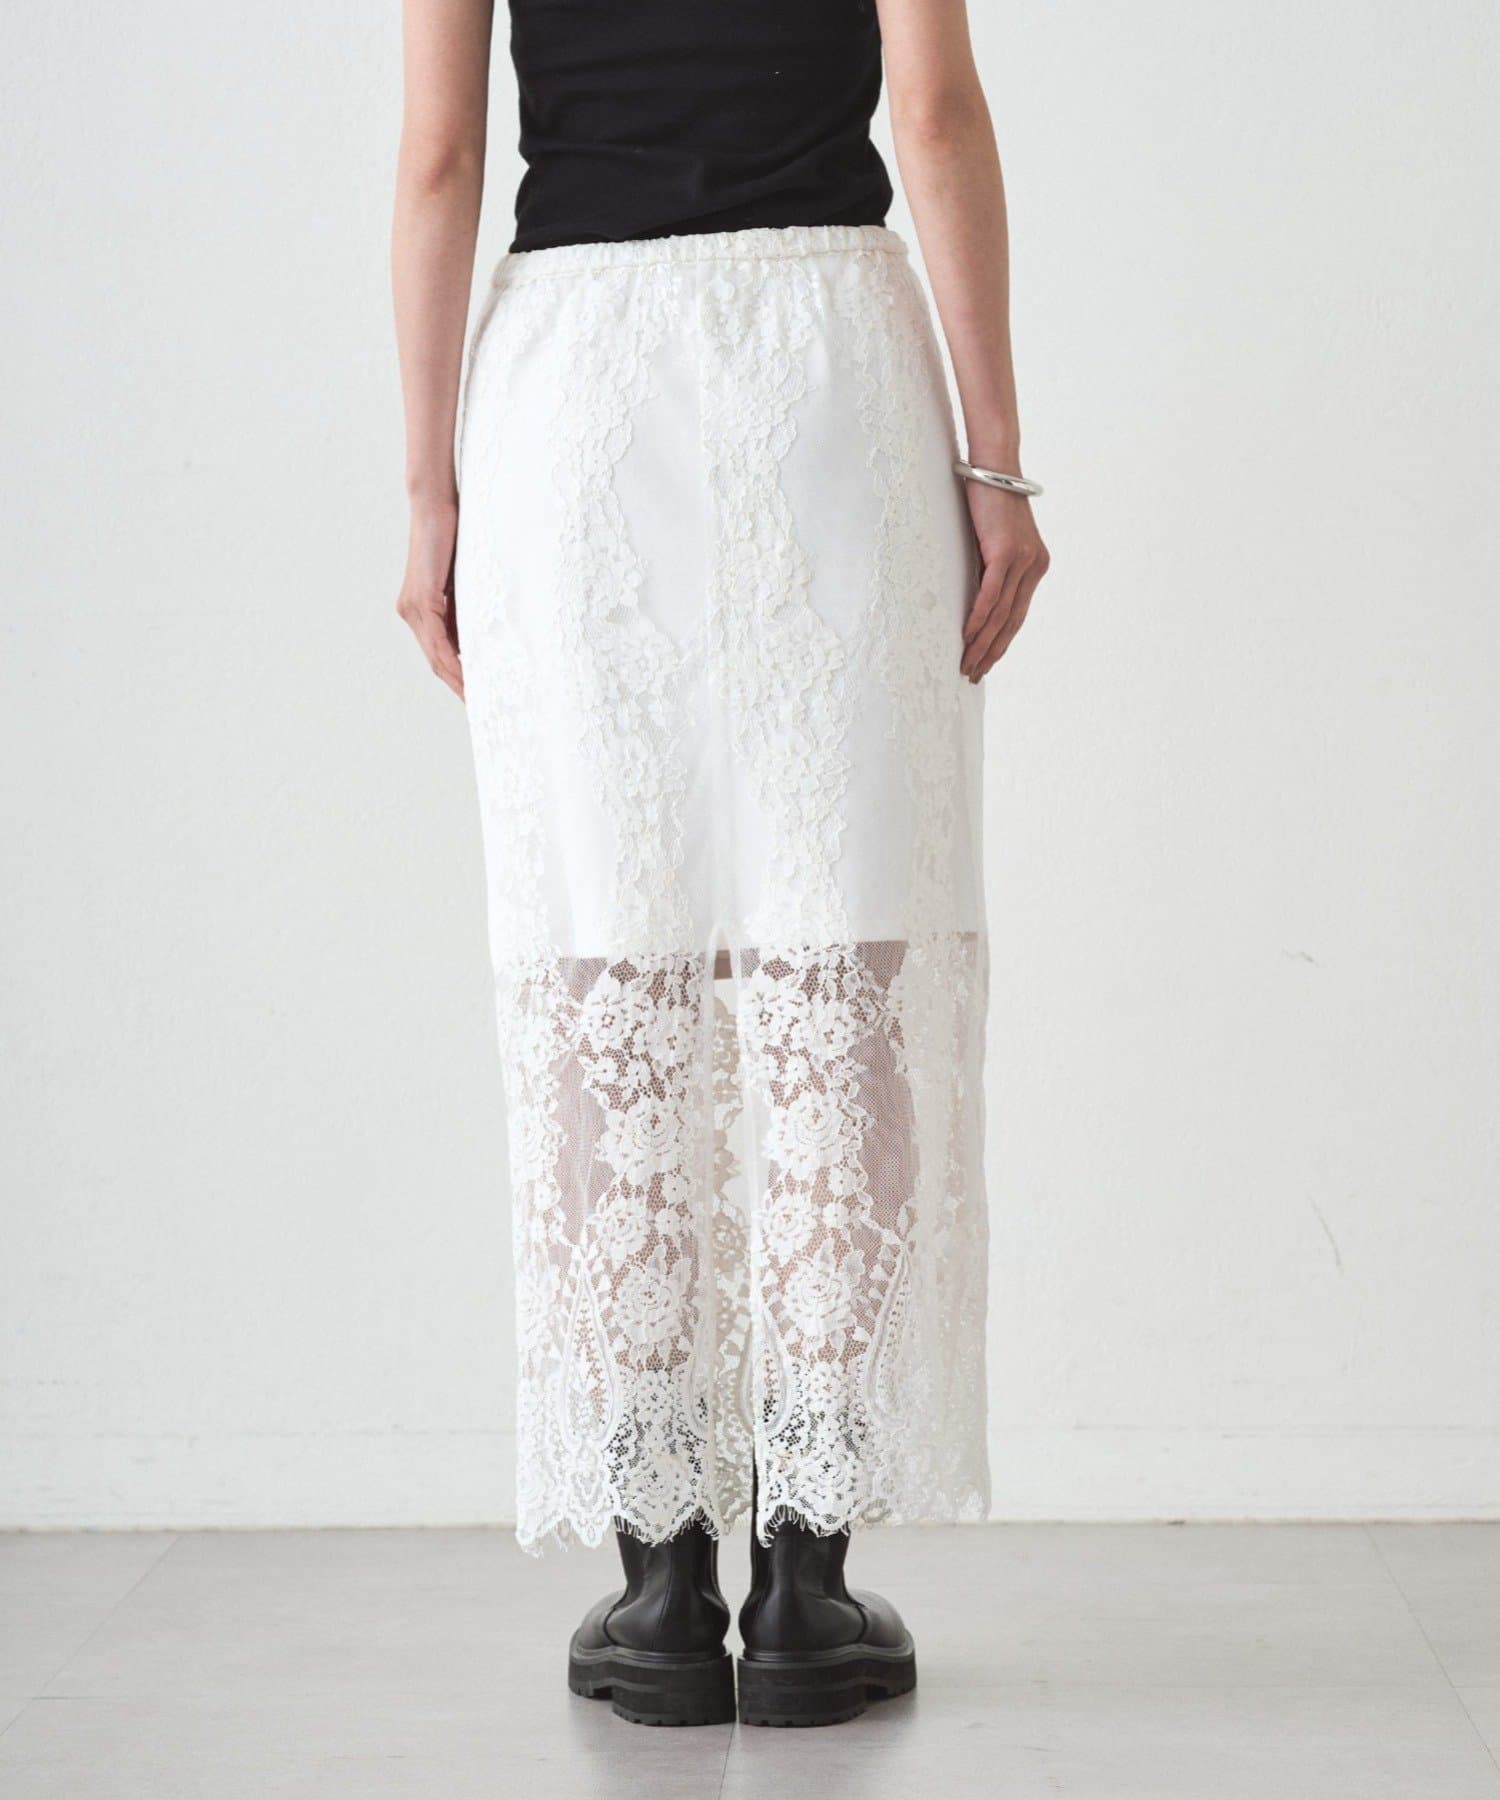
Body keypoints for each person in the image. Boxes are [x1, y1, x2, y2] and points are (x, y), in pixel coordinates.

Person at [392, 0, 1049, 1730]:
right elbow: (936, 109)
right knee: (845, 953)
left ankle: (661, 1588)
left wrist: (431, 493)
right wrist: (994, 459)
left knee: (611, 969)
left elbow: (444, 158)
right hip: (826, 363)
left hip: (577, 387)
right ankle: (809, 1593)